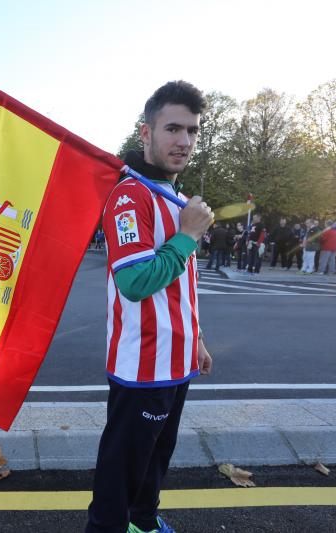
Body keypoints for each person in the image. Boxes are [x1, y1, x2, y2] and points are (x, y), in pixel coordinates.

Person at [87, 81, 213, 533]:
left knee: (156, 459)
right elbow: (135, 283)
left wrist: (195, 338)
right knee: (120, 472)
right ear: (146, 133)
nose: (184, 141)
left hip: (176, 358)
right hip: (141, 365)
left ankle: (142, 521)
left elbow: (180, 285)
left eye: (192, 131)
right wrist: (188, 235)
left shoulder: (172, 196)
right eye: (172, 128)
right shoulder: (129, 196)